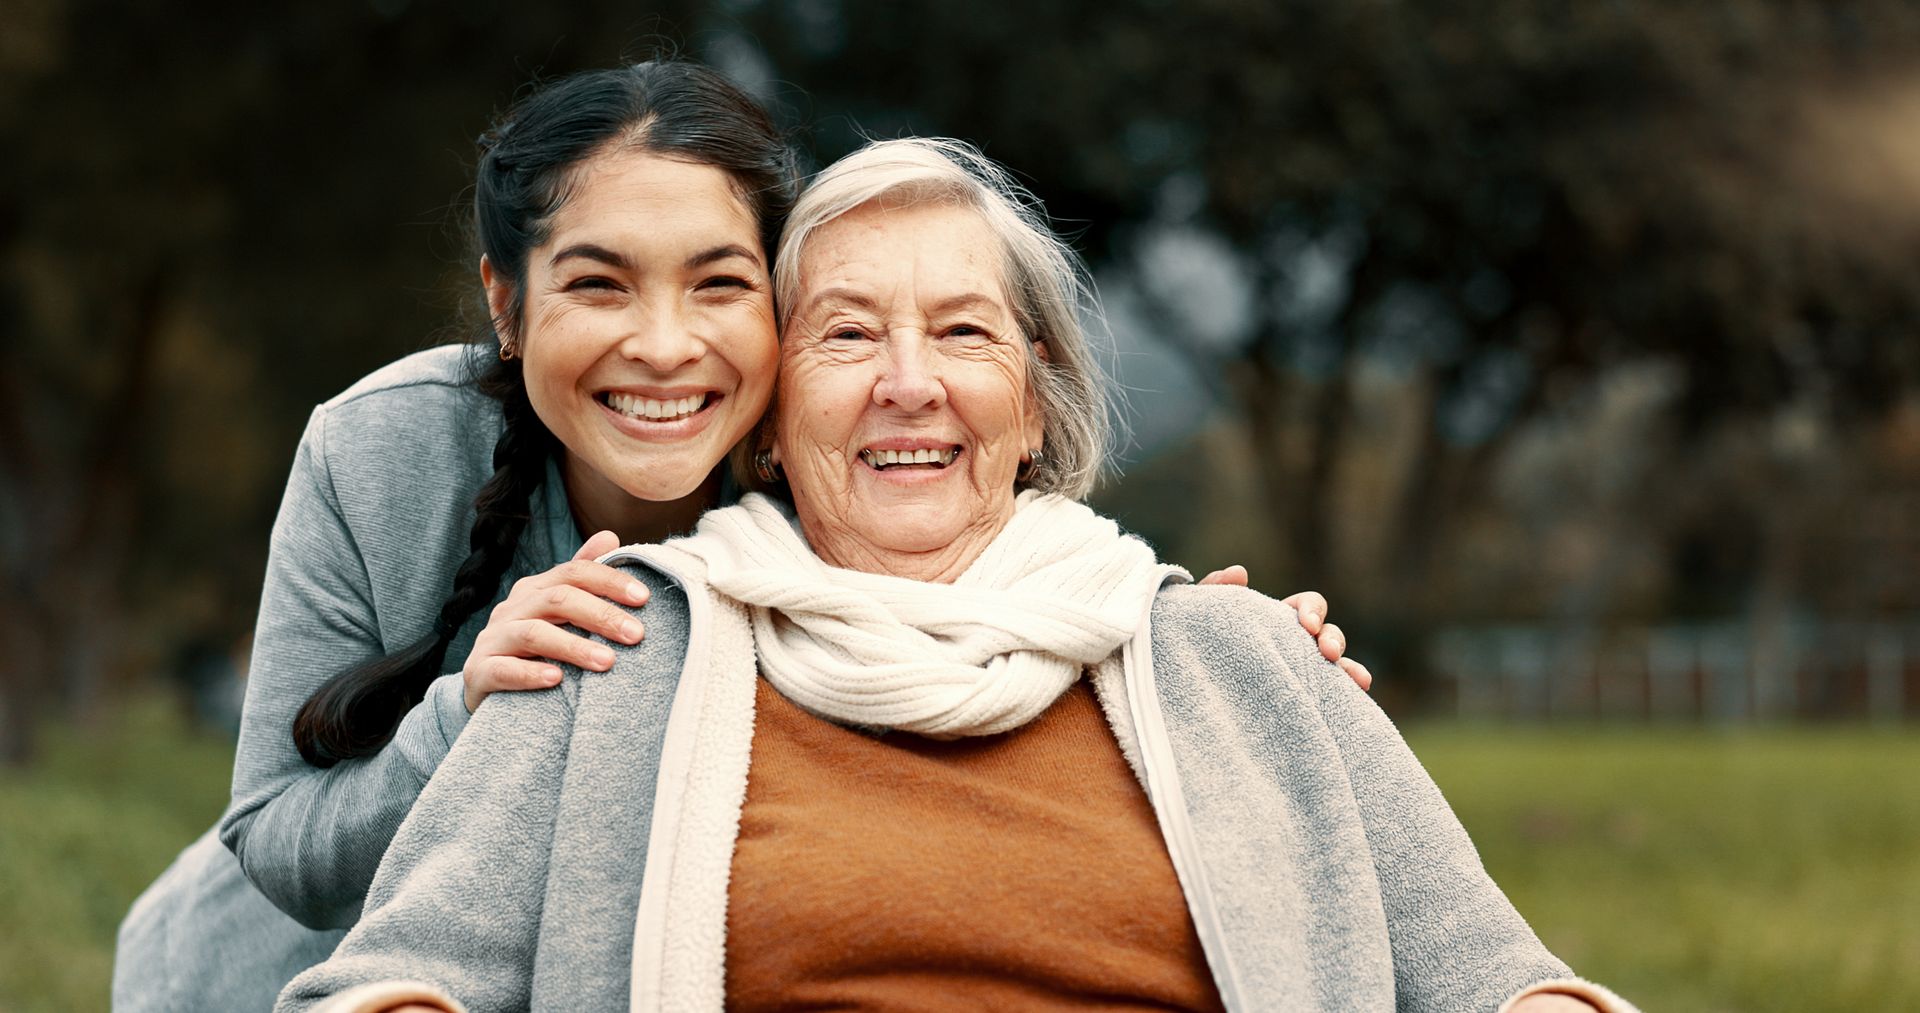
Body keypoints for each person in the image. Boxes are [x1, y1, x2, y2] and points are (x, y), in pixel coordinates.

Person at [275, 139, 1635, 1013]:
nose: (908, 383)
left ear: (1036, 398)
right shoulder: (622, 653)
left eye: (965, 331)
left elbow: (1501, 983)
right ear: (766, 407)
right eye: (849, 332)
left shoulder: (1241, 657)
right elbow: (399, 979)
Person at [113, 64, 1362, 1011]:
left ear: (784, 302)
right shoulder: (382, 449)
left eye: (718, 285)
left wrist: (1208, 647)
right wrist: (465, 705)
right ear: (506, 300)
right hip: (284, 967)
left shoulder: (830, 465)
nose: (664, 345)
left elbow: (1001, 545)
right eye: (599, 284)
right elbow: (276, 841)